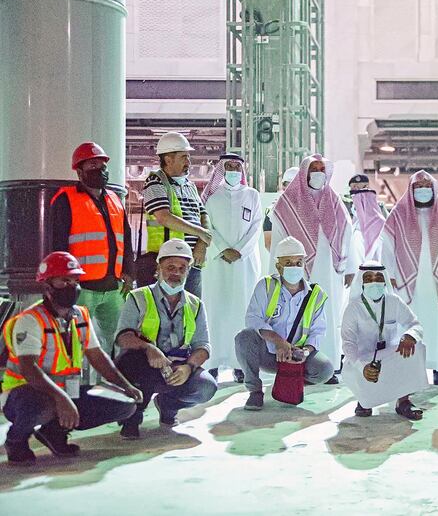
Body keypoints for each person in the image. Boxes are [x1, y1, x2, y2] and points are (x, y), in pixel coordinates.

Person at [2, 252, 142, 465]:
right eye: (65, 280)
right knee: (41, 405)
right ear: (48, 287)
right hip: (25, 395)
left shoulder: (81, 316)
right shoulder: (31, 320)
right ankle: (16, 440)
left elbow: (98, 357)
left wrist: (126, 385)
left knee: (126, 404)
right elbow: (29, 369)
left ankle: (54, 432)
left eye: (76, 281)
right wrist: (61, 398)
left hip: (69, 391)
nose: (73, 286)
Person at [115, 239, 218, 439]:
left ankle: (168, 406)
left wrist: (188, 368)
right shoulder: (138, 297)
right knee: (133, 365)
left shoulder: (195, 304)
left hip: (176, 367)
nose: (176, 273)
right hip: (143, 365)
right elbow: (123, 337)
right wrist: (147, 348)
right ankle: (132, 417)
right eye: (170, 267)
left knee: (206, 386)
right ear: (159, 268)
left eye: (182, 268)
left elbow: (203, 346)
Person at [268, 154, 352, 384]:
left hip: (329, 272)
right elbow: (278, 242)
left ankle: (330, 367)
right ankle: (297, 367)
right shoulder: (287, 204)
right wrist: (277, 273)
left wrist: (349, 266)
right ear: (304, 173)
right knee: (297, 317)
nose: (317, 172)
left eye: (321, 168)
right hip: (297, 273)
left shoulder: (335, 202)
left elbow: (347, 236)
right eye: (313, 168)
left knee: (327, 316)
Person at [50, 142, 136, 361]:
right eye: (93, 165)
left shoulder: (115, 200)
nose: (100, 170)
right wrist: (63, 284)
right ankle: (76, 387)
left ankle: (116, 385)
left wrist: (129, 271)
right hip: (82, 289)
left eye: (103, 166)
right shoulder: (65, 199)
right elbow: (58, 245)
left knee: (120, 341)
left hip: (114, 289)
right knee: (77, 342)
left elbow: (125, 239)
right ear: (79, 172)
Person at [382, 170, 438, 385]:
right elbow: (388, 246)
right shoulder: (399, 214)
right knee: (410, 323)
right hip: (408, 282)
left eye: (427, 185)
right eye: (418, 187)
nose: (423, 190)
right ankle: (409, 367)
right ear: (411, 190)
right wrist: (389, 274)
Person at [235, 236, 334, 410]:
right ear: (278, 267)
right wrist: (279, 342)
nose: (294, 267)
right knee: (244, 338)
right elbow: (253, 319)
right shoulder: (266, 286)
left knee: (325, 369)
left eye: (299, 262)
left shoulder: (316, 294)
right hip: (269, 353)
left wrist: (305, 351)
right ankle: (255, 391)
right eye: (288, 262)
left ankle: (291, 380)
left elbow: (318, 331)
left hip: (296, 357)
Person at [202, 153, 263, 383]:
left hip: (245, 263)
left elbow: (256, 227)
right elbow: (207, 226)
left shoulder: (252, 195)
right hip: (218, 264)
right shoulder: (211, 198)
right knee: (216, 311)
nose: (233, 169)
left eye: (237, 166)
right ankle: (215, 363)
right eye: (228, 166)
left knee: (242, 311)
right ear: (221, 169)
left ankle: (241, 364)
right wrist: (223, 248)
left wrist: (240, 250)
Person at [341, 262, 427, 420]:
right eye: (368, 278)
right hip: (363, 360)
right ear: (362, 282)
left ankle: (403, 401)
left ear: (385, 281)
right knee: (353, 365)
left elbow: (415, 325)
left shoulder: (394, 302)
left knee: (417, 347)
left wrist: (409, 335)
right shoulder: (353, 308)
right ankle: (364, 399)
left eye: (378, 278)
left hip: (388, 357)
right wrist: (361, 367)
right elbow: (348, 343)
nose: (374, 282)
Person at [139, 132, 213, 297]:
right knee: (163, 310)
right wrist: (200, 232)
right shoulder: (155, 182)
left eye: (188, 157)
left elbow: (204, 215)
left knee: (191, 310)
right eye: (183, 157)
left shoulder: (190, 186)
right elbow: (164, 217)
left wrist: (202, 244)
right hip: (167, 263)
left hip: (191, 262)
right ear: (168, 159)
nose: (188, 162)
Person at [262, 166, 299, 254]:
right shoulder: (272, 210)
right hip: (281, 261)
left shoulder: (311, 209)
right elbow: (268, 243)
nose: (290, 188)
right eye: (287, 184)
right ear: (283, 186)